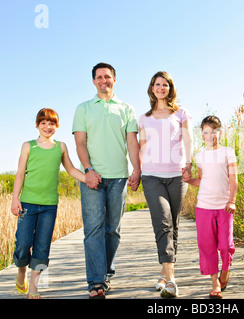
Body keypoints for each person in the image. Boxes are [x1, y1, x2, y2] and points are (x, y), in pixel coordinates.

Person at [72, 62, 141, 299]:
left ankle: (106, 273)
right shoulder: (83, 108)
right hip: (92, 178)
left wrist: (137, 169)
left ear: (114, 79)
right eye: (99, 77)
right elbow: (80, 143)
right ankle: (96, 282)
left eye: (108, 76)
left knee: (113, 230)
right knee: (93, 229)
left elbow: (132, 143)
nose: (104, 80)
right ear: (93, 81)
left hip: (119, 178)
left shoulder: (126, 109)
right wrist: (88, 170)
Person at [11, 108, 86, 299]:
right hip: (27, 203)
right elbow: (20, 174)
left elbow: (70, 169)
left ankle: (34, 287)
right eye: (43, 123)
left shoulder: (60, 147)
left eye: (51, 123)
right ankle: (21, 269)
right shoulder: (28, 146)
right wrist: (15, 198)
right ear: (37, 125)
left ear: (57, 126)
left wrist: (88, 179)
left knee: (42, 246)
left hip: (49, 206)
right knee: (23, 243)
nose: (47, 127)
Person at [138, 71, 193, 298]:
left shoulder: (180, 113)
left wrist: (189, 163)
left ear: (170, 88)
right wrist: (137, 171)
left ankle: (164, 273)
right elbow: (141, 147)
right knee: (162, 223)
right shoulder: (144, 118)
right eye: (157, 84)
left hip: (177, 175)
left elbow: (189, 138)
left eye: (165, 85)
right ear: (152, 88)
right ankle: (171, 281)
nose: (161, 88)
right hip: (151, 176)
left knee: (173, 224)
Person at [183, 115, 238, 299]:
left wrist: (232, 200)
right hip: (204, 206)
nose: (209, 135)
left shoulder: (228, 152)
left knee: (225, 245)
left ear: (219, 132)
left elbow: (233, 179)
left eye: (213, 132)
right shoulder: (200, 155)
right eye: (205, 132)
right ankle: (215, 283)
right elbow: (201, 180)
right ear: (202, 134)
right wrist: (189, 180)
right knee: (207, 246)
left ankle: (226, 270)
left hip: (224, 206)